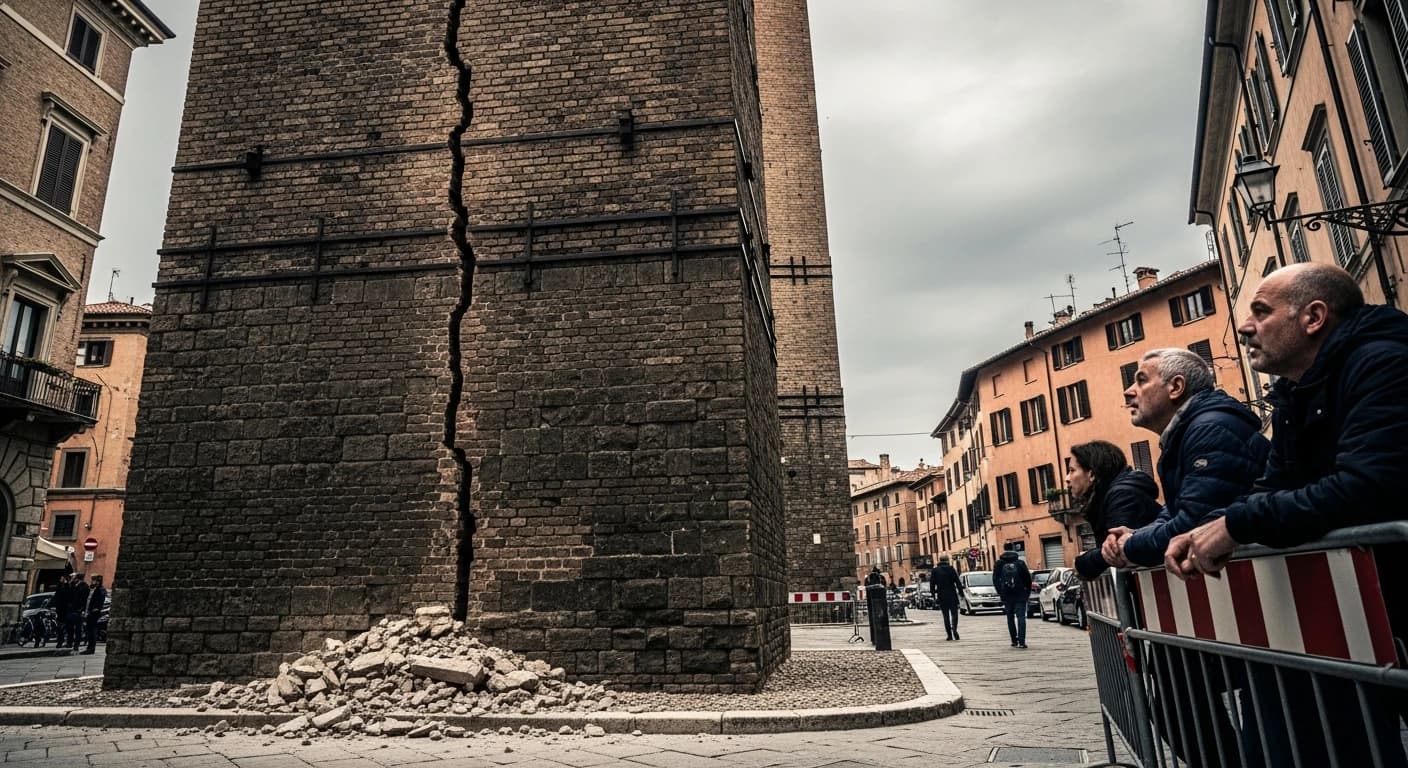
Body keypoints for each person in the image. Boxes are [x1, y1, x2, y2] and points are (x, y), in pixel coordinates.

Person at [1168, 263, 1408, 767]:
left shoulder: (1383, 364)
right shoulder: (1297, 393)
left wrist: (1236, 525)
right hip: (1358, 614)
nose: (1245, 326)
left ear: (1313, 317)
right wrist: (1210, 527)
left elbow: (1366, 488)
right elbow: (1271, 485)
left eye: (1261, 311)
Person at [1101, 347, 1269, 568]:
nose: (1129, 391)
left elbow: (1194, 525)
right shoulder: (1192, 433)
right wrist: (1137, 534)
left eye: (1141, 381)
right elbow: (1178, 509)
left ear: (1176, 387)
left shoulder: (1209, 431)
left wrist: (1129, 545)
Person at [1066, 441, 1160, 579]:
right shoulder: (1108, 497)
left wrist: (1082, 563)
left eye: (1072, 470)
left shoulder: (1121, 495)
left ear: (1091, 474)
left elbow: (1116, 549)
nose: (1067, 479)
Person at [993, 549, 1032, 649]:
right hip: (1020, 593)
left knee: (1010, 618)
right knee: (1021, 617)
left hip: (1006, 594)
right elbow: (1027, 579)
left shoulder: (999, 564)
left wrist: (1000, 592)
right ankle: (1022, 642)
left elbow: (995, 579)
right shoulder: (1020, 563)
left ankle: (1014, 640)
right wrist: (1027, 592)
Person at [930, 555, 961, 640]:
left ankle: (949, 635)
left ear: (940, 561)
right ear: (947, 560)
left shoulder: (935, 570)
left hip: (942, 595)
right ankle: (954, 628)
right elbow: (957, 582)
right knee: (954, 614)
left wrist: (933, 594)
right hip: (952, 594)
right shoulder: (951, 569)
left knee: (945, 615)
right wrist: (961, 593)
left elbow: (932, 584)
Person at [81, 576, 106, 655]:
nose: (91, 581)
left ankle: (91, 648)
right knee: (89, 630)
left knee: (92, 630)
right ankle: (89, 647)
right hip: (90, 611)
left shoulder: (100, 590)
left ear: (97, 581)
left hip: (94, 612)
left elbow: (100, 600)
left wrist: (96, 608)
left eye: (93, 580)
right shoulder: (93, 589)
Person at [65, 574, 88, 653]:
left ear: (78, 579)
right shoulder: (72, 586)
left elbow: (84, 598)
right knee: (69, 627)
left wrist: (82, 609)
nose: (73, 579)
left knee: (78, 629)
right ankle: (69, 642)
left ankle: (76, 645)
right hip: (71, 610)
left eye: (74, 578)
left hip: (78, 610)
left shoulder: (84, 586)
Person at [50, 574, 72, 650]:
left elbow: (68, 596)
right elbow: (56, 596)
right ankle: (60, 641)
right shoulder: (59, 587)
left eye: (62, 578)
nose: (60, 579)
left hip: (65, 609)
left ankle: (66, 641)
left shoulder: (68, 587)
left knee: (66, 626)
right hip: (59, 609)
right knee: (59, 626)